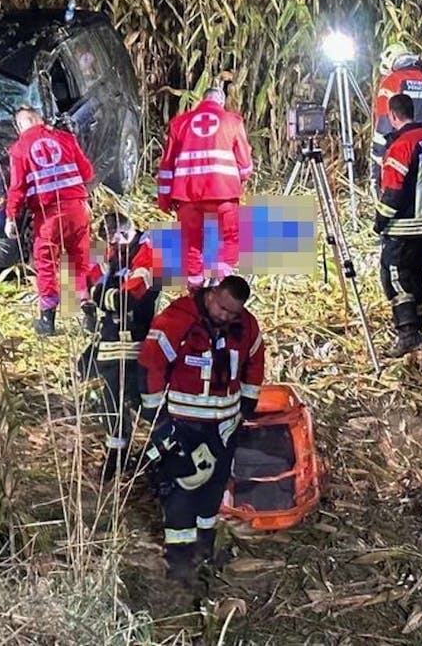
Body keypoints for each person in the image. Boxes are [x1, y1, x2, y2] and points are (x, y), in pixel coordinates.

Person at [137, 275, 264, 585]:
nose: (224, 316)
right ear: (211, 294)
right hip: (185, 424)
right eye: (221, 308)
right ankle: (179, 561)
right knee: (182, 489)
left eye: (232, 313)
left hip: (224, 426)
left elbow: (254, 363)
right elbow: (150, 364)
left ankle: (205, 549)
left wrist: (247, 404)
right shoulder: (178, 319)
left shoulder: (246, 326)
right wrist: (157, 417)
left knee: (214, 487)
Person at [82, 211, 163, 479]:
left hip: (134, 342)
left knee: (142, 403)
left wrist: (99, 296)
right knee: (108, 400)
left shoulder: (148, 255)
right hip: (111, 339)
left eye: (115, 243)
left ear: (126, 233)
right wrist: (98, 294)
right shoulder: (118, 253)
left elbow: (130, 299)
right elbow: (92, 279)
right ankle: (117, 457)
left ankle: (158, 454)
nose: (111, 249)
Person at [3, 106, 94, 336]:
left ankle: (47, 319)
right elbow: (87, 172)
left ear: (19, 125)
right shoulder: (65, 138)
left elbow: (17, 189)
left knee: (45, 264)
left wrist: (11, 217)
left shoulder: (19, 149)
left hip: (48, 216)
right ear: (40, 119)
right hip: (77, 209)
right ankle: (89, 313)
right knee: (79, 262)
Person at [155, 86, 254, 289]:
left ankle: (195, 288)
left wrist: (164, 199)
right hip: (223, 193)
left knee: (191, 242)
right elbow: (245, 165)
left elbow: (166, 165)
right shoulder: (232, 121)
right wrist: (241, 177)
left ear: (203, 100)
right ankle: (220, 280)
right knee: (231, 237)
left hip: (187, 195)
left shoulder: (179, 123)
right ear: (221, 102)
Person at [374, 93, 422, 357]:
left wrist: (380, 221)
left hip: (404, 225)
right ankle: (417, 324)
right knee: (414, 274)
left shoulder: (401, 145)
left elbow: (393, 191)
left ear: (393, 115)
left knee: (393, 275)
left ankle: (408, 333)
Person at [370, 44, 422, 187]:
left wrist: (377, 157)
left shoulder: (392, 82)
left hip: (398, 153)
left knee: (393, 201)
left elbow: (384, 123)